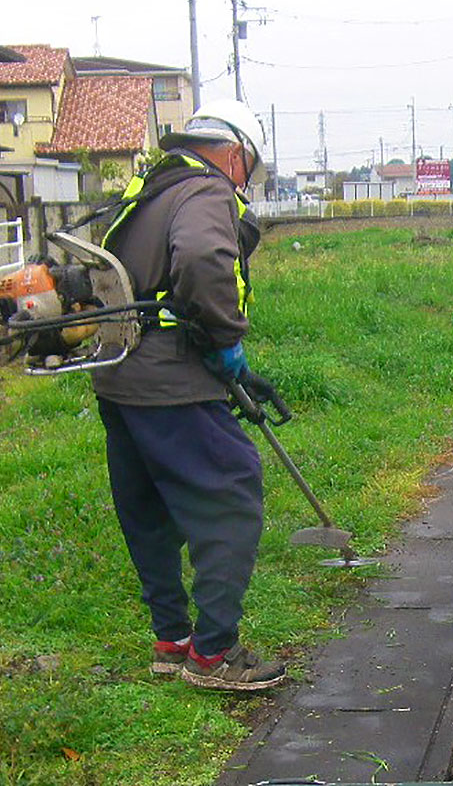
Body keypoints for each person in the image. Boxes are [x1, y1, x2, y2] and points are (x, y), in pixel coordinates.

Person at [91, 99, 287, 689]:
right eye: (247, 168)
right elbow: (202, 259)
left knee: (147, 509)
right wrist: (227, 341)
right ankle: (214, 655)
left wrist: (231, 366)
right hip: (170, 381)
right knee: (230, 493)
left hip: (119, 372)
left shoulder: (148, 189)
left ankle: (171, 641)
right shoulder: (205, 192)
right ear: (234, 155)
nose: (244, 180)